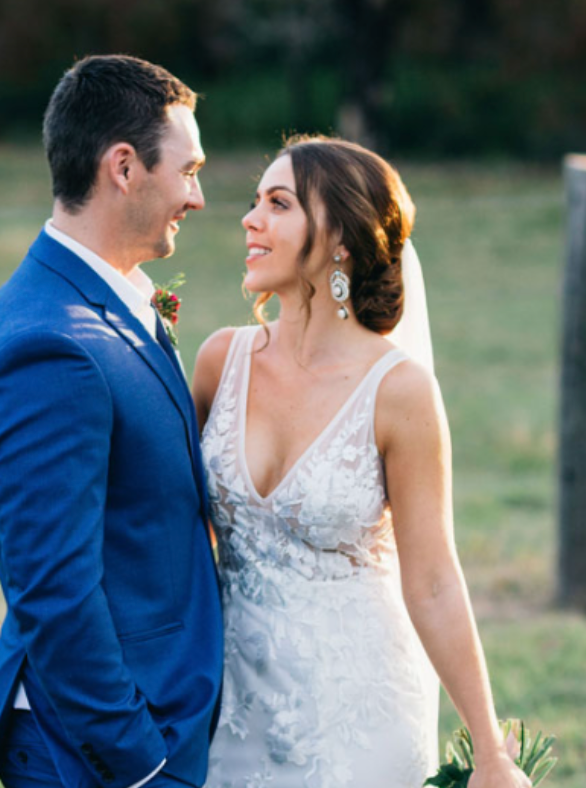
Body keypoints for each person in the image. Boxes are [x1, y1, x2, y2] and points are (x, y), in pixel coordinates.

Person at [192, 136, 531, 788]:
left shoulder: (399, 393)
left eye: (278, 203)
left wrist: (489, 751)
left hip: (356, 712)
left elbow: (433, 580)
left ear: (340, 239)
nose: (249, 218)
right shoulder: (219, 362)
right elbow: (181, 530)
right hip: (232, 702)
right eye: (255, 200)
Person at [0, 55, 222, 788]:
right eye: (189, 169)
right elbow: (54, 590)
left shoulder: (99, 299)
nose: (197, 197)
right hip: (90, 754)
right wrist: (137, 763)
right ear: (124, 166)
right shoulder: (52, 347)